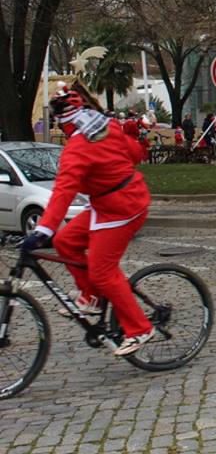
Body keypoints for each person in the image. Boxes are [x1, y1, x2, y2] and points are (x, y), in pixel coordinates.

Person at [21, 88, 155, 356]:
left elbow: (63, 191)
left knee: (103, 271)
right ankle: (92, 296)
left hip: (123, 207)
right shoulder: (103, 127)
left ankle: (139, 328)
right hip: (107, 203)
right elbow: (135, 154)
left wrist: (42, 229)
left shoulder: (78, 148)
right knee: (65, 241)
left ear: (61, 122)